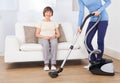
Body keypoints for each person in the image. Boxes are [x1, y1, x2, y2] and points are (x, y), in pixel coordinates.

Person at [77, 0, 111, 68]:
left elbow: (108, 1)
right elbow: (81, 11)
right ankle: (93, 61)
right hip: (92, 20)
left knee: (100, 41)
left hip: (103, 18)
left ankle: (99, 59)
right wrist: (79, 25)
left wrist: (99, 10)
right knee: (87, 41)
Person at [35, 6, 60, 71]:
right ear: (44, 13)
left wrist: (54, 36)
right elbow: (37, 34)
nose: (48, 14)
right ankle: (46, 64)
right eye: (47, 12)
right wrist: (44, 37)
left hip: (52, 37)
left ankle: (53, 64)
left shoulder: (54, 22)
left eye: (50, 12)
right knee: (46, 44)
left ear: (52, 14)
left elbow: (58, 34)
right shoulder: (40, 22)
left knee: (54, 43)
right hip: (43, 38)